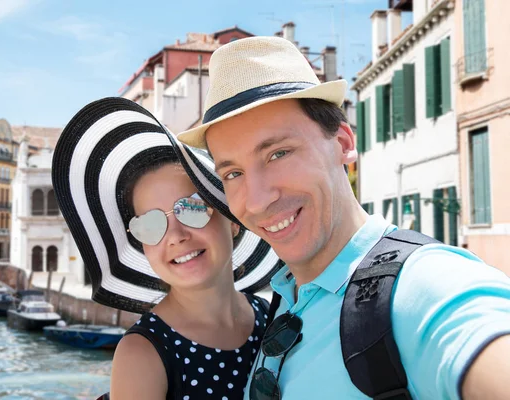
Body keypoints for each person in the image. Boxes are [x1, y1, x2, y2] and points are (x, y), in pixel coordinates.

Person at [176, 36, 510, 399]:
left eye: (278, 154)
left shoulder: (423, 287)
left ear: (343, 143)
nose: (255, 202)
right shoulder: (288, 295)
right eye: (233, 174)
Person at [51, 97, 283, 399]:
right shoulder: (142, 354)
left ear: (232, 219)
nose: (174, 236)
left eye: (191, 208)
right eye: (149, 224)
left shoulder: (272, 318)